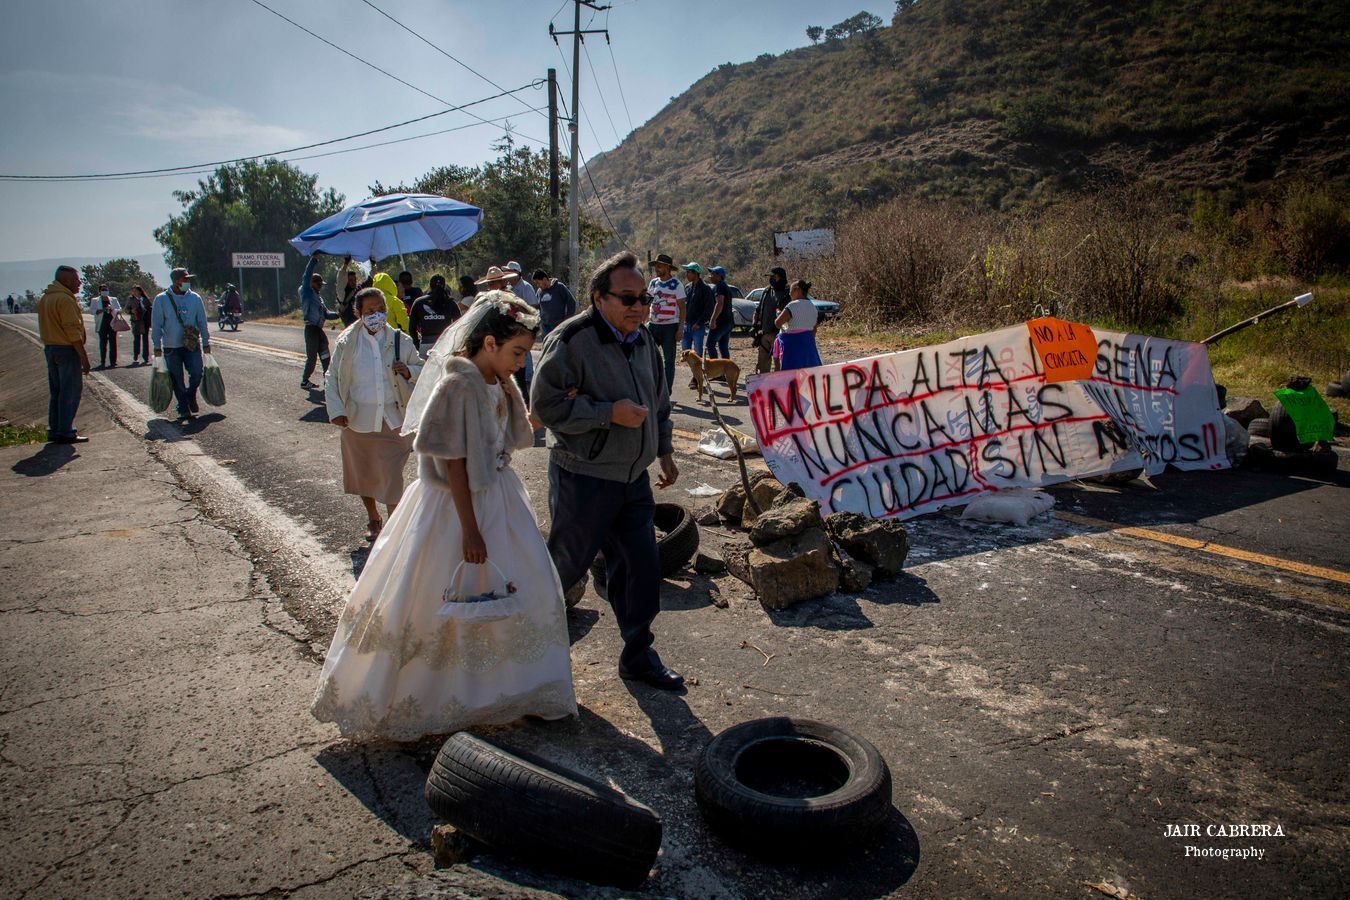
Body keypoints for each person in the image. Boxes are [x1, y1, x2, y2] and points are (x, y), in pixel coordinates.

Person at [312, 292, 576, 740]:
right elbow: (452, 460)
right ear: (488, 342)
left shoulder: (496, 381)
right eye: (516, 353)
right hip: (456, 505)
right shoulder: (457, 384)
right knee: (444, 592)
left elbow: (499, 433)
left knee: (512, 589)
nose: (519, 363)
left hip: (498, 495)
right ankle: (434, 696)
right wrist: (470, 529)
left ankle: (502, 689)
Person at [532, 251, 684, 691]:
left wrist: (664, 449)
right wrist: (606, 414)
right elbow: (543, 407)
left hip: (632, 480)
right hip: (584, 478)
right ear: (599, 298)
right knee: (564, 569)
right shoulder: (572, 340)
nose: (638, 307)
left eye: (645, 299)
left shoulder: (645, 342)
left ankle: (638, 657)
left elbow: (659, 403)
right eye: (628, 298)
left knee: (641, 569)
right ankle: (528, 658)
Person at [326, 287, 424, 542]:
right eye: (370, 311)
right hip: (357, 421)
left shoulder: (401, 340)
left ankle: (395, 531)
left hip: (393, 420)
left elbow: (423, 369)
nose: (376, 316)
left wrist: (409, 371)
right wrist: (336, 410)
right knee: (363, 474)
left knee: (391, 477)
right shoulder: (347, 342)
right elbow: (332, 377)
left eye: (381, 310)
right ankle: (373, 518)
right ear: (358, 312)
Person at [37, 265, 91, 443]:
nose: (79, 283)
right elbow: (72, 331)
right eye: (76, 280)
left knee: (57, 391)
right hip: (67, 350)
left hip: (51, 348)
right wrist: (83, 357)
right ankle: (67, 431)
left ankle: (55, 429)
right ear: (66, 281)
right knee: (71, 391)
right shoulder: (65, 300)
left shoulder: (46, 298)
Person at [152, 268, 212, 422]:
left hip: (191, 345)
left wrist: (206, 342)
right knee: (177, 378)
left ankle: (190, 394)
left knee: (197, 372)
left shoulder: (195, 298)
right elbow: (157, 324)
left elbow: (202, 322)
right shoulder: (161, 299)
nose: (187, 282)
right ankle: (183, 407)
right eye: (185, 279)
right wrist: (157, 345)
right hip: (171, 346)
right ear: (176, 281)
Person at [646, 253, 685, 394]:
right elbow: (647, 303)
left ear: (668, 267)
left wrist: (680, 329)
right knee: (647, 357)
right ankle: (650, 389)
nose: (657, 268)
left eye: (660, 265)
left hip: (670, 327)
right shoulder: (653, 283)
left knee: (669, 361)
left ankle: (666, 392)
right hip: (653, 325)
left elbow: (682, 308)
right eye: (656, 265)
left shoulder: (677, 285)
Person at [300, 254, 340, 390]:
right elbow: (306, 276)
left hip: (318, 330)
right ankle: (305, 380)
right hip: (311, 330)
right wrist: (313, 260)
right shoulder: (306, 292)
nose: (320, 286)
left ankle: (327, 380)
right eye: (318, 283)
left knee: (325, 355)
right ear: (311, 283)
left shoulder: (319, 298)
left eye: (321, 284)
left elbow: (326, 314)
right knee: (312, 358)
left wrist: (338, 314)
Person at [774, 278, 822, 370]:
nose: (789, 293)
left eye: (791, 290)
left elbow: (778, 322)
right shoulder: (813, 307)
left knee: (791, 375)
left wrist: (784, 326)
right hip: (809, 347)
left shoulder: (792, 305)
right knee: (808, 373)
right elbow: (814, 330)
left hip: (792, 348)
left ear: (798, 290)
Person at [679, 262, 713, 389]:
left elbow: (708, 309)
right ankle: (696, 375)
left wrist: (699, 323)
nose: (687, 274)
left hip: (697, 326)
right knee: (686, 352)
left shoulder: (705, 289)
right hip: (686, 325)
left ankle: (697, 378)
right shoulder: (687, 287)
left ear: (695, 273)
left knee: (697, 354)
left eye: (689, 272)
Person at [753, 266, 790, 374]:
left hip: (780, 335)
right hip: (764, 334)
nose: (771, 279)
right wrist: (754, 326)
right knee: (763, 366)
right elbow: (758, 310)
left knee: (779, 366)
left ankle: (780, 388)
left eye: (774, 276)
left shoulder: (788, 293)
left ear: (781, 277)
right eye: (770, 277)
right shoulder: (767, 291)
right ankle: (764, 388)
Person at [409, 274, 462, 352]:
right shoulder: (450, 302)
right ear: (444, 286)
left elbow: (412, 328)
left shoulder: (419, 302)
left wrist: (417, 345)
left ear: (429, 286)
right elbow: (459, 325)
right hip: (445, 345)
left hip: (425, 345)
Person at [705, 266, 735, 365]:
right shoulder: (725, 286)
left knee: (710, 344)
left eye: (712, 274)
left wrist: (713, 320)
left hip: (721, 322)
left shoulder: (720, 286)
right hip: (728, 322)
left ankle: (716, 370)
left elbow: (719, 303)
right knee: (723, 346)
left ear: (719, 276)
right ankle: (726, 371)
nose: (710, 276)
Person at [533, 268, 576, 336]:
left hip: (559, 324)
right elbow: (538, 307)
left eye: (538, 283)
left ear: (544, 279)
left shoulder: (559, 287)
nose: (538, 285)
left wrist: (567, 319)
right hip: (545, 326)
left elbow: (571, 302)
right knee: (546, 345)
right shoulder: (539, 291)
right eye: (536, 284)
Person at [90, 283, 121, 369]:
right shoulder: (95, 300)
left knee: (113, 342)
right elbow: (92, 311)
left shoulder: (113, 299)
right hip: (102, 323)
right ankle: (102, 361)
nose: (105, 291)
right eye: (103, 290)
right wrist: (102, 310)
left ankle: (113, 361)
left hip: (112, 322)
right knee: (103, 343)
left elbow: (119, 309)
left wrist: (112, 309)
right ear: (99, 291)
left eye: (106, 290)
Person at [127, 285, 153, 365]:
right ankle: (136, 355)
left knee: (145, 339)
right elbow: (127, 309)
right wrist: (132, 311)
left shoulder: (145, 299)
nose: (134, 292)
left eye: (136, 291)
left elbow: (150, 309)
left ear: (140, 291)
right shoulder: (131, 299)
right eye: (133, 291)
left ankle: (145, 357)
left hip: (145, 321)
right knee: (136, 339)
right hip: (136, 321)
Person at [337, 257, 362, 326]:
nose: (353, 282)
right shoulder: (343, 294)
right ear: (346, 281)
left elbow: (371, 280)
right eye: (350, 280)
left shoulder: (359, 289)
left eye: (354, 280)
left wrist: (373, 265)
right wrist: (346, 264)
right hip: (349, 327)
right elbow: (340, 280)